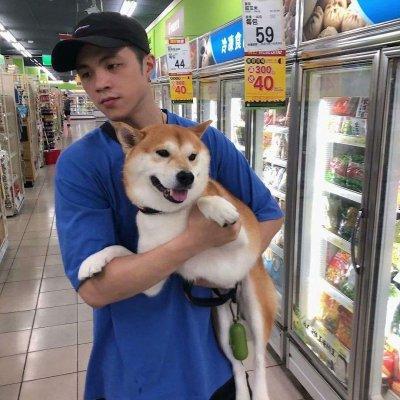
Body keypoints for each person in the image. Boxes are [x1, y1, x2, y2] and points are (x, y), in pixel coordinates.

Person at [52, 11, 283, 400]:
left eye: (112, 65)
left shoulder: (202, 145)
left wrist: (229, 266)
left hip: (216, 362)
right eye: (86, 74)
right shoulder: (80, 164)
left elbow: (268, 215)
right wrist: (195, 242)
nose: (100, 83)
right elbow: (95, 288)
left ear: (148, 65)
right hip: (135, 373)